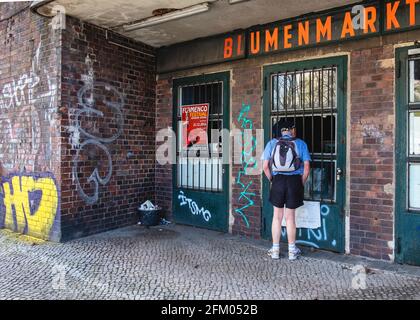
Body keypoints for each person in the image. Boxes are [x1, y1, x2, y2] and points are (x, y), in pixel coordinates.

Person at [261, 119, 311, 261]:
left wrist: (272, 179)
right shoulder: (301, 143)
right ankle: (292, 251)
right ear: (292, 129)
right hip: (294, 181)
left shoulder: (272, 143)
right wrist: (300, 182)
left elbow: (265, 166)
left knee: (277, 217)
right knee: (290, 218)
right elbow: (306, 167)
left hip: (278, 181)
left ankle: (275, 250)